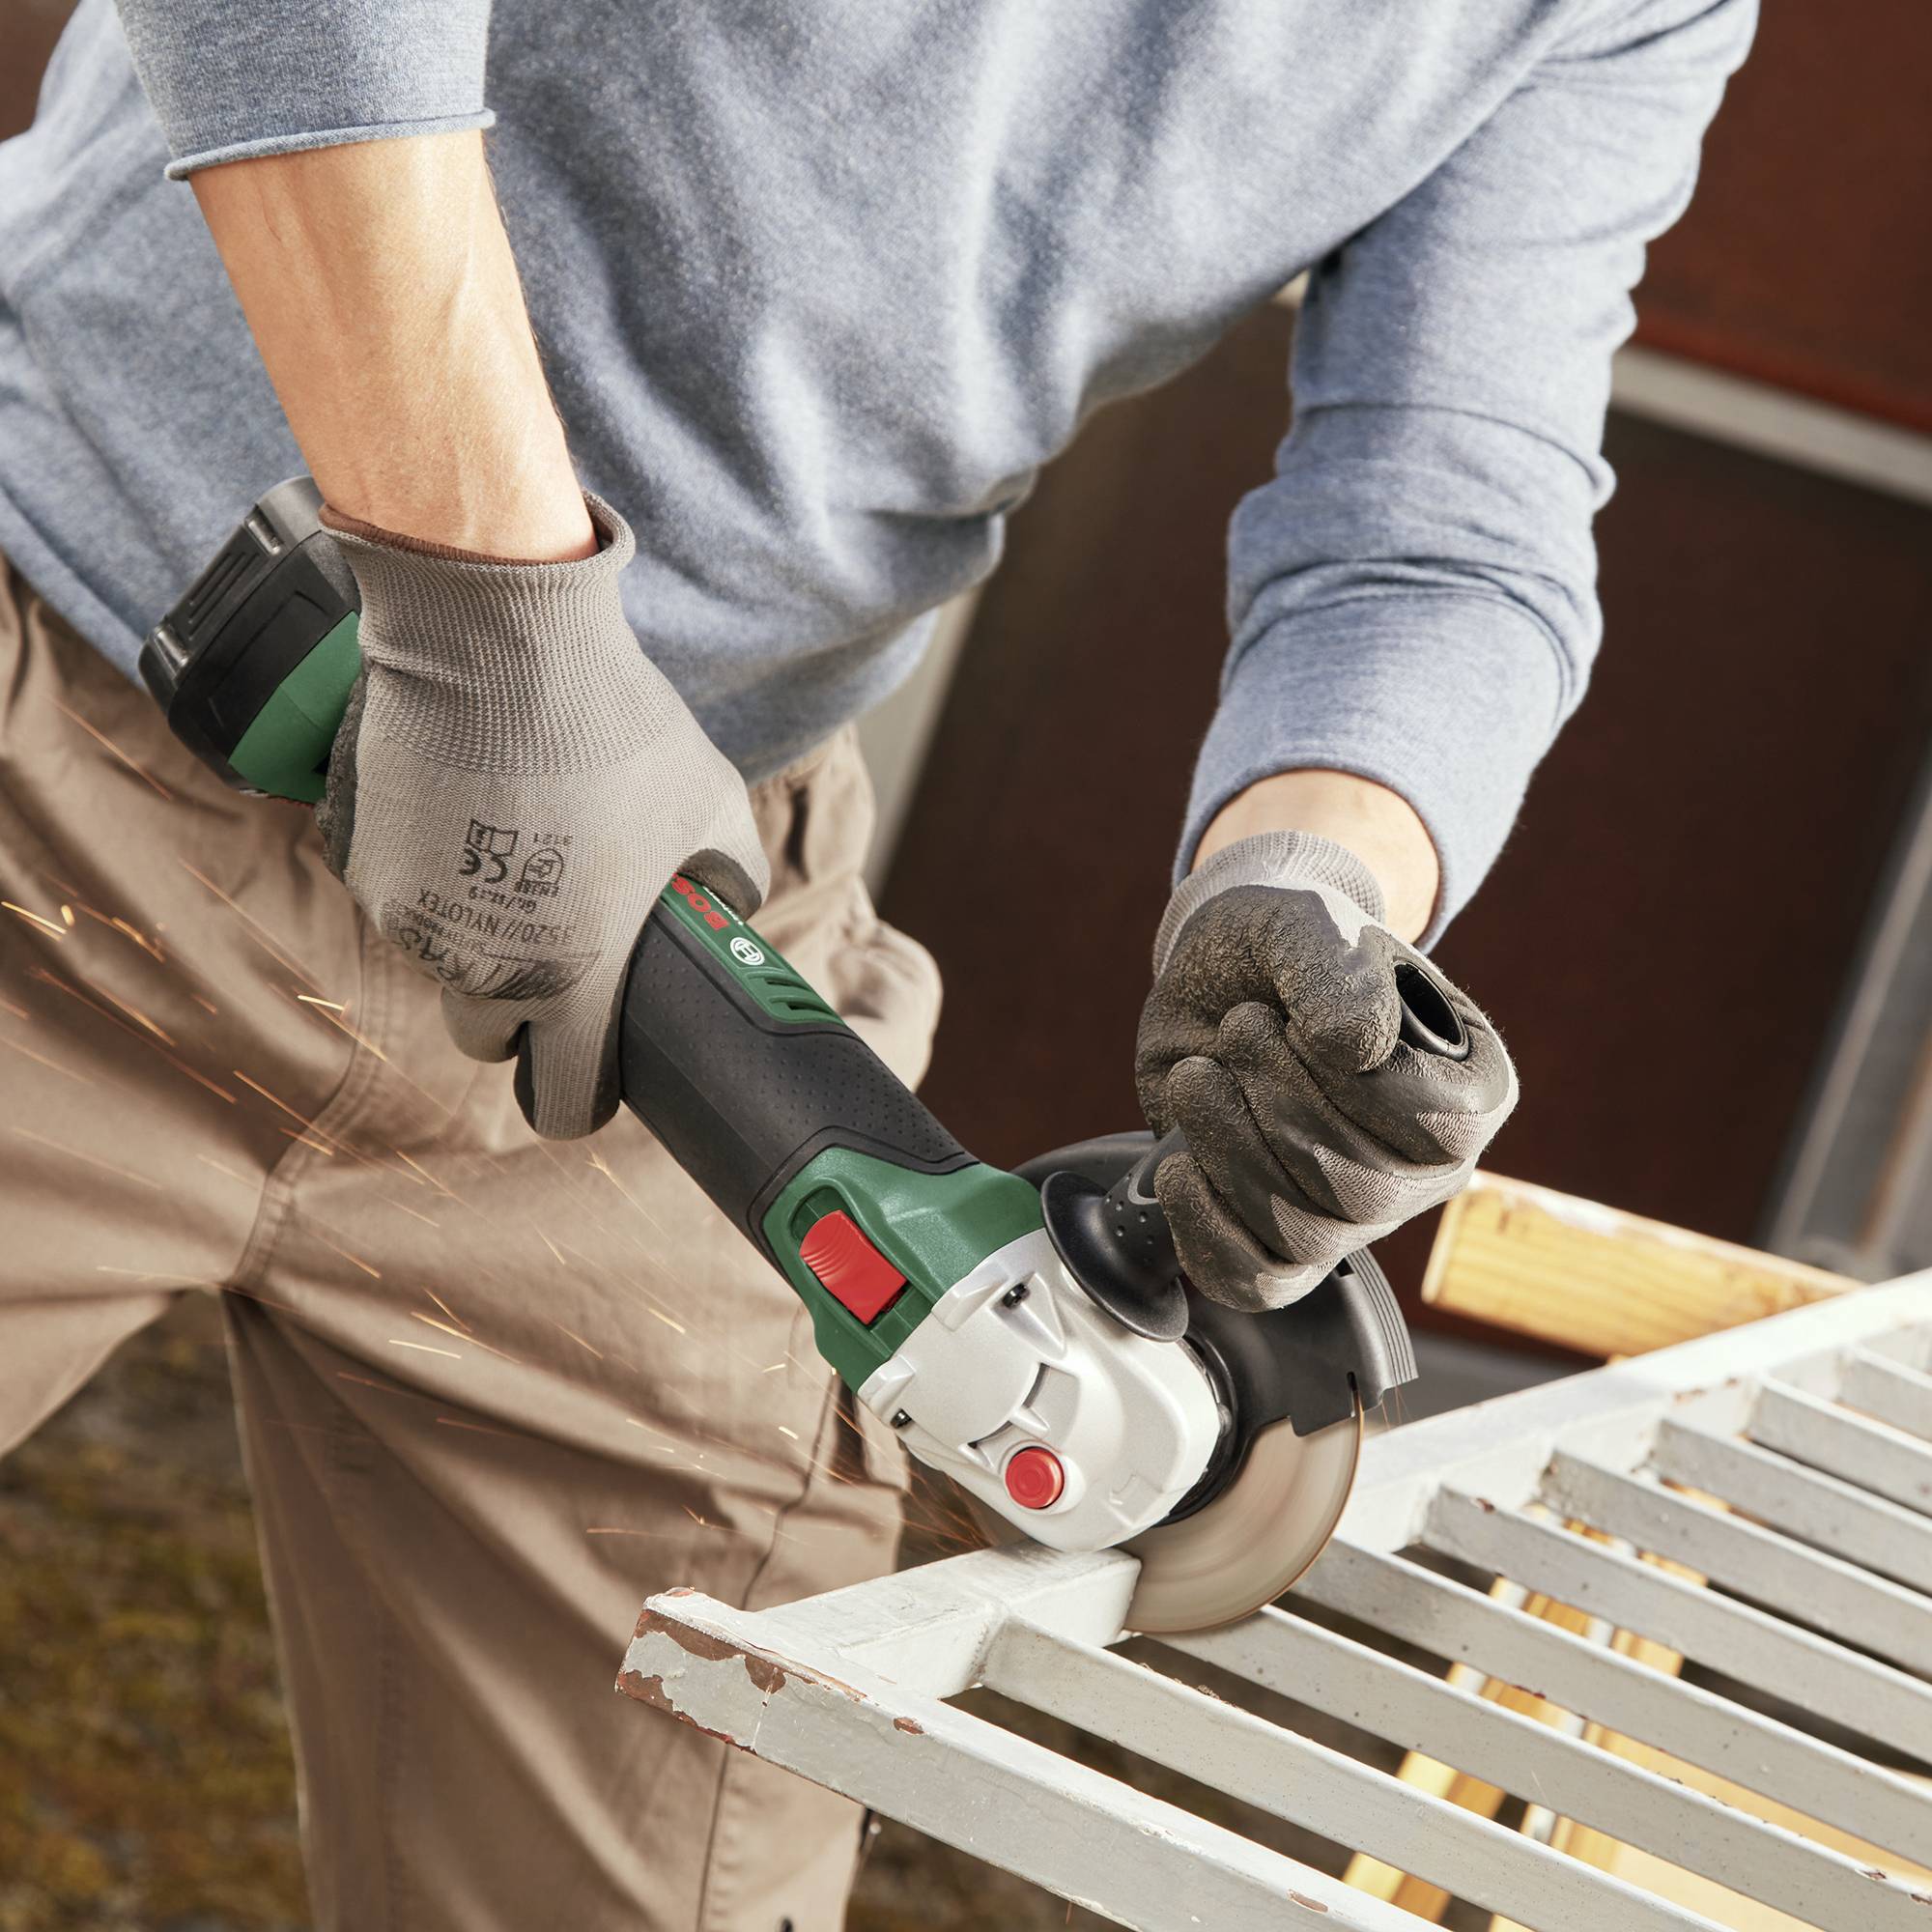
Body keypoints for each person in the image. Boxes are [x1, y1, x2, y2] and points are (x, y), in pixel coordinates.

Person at [0, 0, 1751, 1924]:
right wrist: (487, 605)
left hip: (664, 975)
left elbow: (1443, 532)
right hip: (70, 734)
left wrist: (1318, 883)